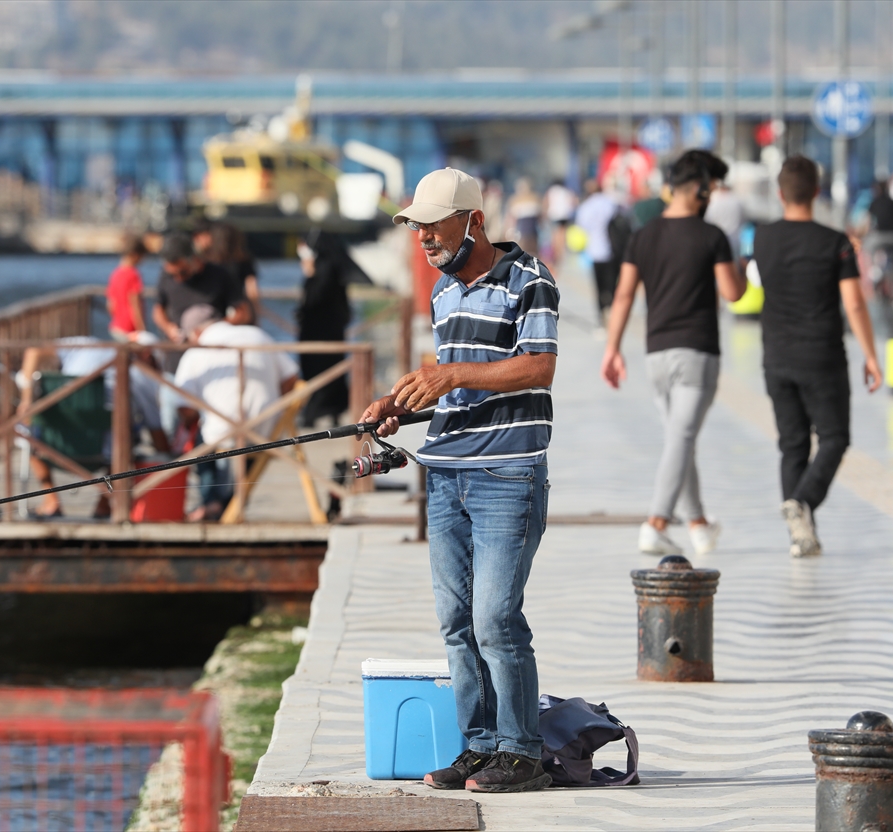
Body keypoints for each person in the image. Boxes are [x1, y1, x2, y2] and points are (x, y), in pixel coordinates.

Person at [362, 167, 560, 794]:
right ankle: (478, 748)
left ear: (472, 220)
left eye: (431, 224)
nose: (421, 237)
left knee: (497, 618)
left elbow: (539, 367)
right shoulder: (443, 294)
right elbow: (456, 386)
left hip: (508, 474)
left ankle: (522, 754)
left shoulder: (530, 280)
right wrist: (399, 405)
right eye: (415, 226)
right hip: (446, 473)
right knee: (456, 621)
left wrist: (450, 376)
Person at [601, 150, 747, 557]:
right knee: (681, 439)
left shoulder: (643, 235)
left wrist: (612, 349)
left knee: (678, 441)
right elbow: (733, 293)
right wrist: (742, 268)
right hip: (697, 352)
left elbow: (624, 294)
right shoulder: (711, 236)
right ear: (700, 190)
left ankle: (699, 524)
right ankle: (657, 522)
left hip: (657, 354)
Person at [753, 155, 882, 558]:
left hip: (775, 355)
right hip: (822, 356)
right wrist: (871, 355)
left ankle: (801, 534)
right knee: (835, 438)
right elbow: (855, 305)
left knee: (792, 445)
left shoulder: (762, 238)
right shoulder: (835, 242)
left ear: (780, 193)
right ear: (817, 191)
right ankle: (803, 503)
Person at [17, 336, 167, 518]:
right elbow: (159, 439)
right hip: (105, 452)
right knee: (127, 439)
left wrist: (26, 399)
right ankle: (103, 504)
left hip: (55, 443)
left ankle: (50, 499)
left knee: (25, 430)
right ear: (147, 355)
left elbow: (33, 351)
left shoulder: (84, 345)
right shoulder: (143, 376)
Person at [174, 305, 298, 522]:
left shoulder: (196, 350)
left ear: (195, 332)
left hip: (223, 431)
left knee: (203, 440)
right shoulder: (257, 334)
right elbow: (291, 376)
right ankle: (233, 501)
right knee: (247, 442)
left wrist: (197, 414)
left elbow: (185, 410)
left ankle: (211, 501)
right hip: (265, 429)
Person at [152, 232, 249, 372]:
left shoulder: (220, 275)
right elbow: (158, 309)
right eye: (173, 274)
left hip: (212, 362)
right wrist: (168, 328)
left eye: (183, 272)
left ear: (194, 259)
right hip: (175, 363)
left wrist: (213, 329)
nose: (178, 279)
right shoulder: (165, 276)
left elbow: (243, 313)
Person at [296, 231, 353, 425]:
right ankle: (329, 412)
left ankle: (313, 414)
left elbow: (314, 300)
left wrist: (311, 274)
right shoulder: (334, 267)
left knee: (320, 373)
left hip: (319, 333)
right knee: (330, 372)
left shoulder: (324, 269)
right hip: (331, 332)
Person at [574, 178, 623, 324]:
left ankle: (602, 315)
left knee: (599, 286)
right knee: (612, 285)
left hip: (595, 251)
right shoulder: (610, 203)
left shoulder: (586, 207)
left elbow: (581, 225)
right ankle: (612, 311)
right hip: (612, 250)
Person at [207, 222, 260, 315]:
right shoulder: (244, 260)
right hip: (238, 308)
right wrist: (255, 312)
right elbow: (252, 290)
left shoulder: (208, 261)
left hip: (214, 308)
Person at [106, 237, 147, 342]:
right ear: (135, 255)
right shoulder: (133, 275)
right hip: (130, 329)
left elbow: (110, 305)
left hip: (116, 327)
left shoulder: (115, 274)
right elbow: (135, 304)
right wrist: (142, 330)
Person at [543, 179, 578, 267]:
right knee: (562, 233)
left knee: (555, 234)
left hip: (554, 214)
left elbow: (546, 202)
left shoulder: (551, 191)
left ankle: (556, 252)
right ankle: (561, 251)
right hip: (565, 214)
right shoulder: (567, 190)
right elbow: (574, 201)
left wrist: (545, 213)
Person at [504, 176, 541, 255]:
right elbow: (510, 219)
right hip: (521, 233)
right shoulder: (514, 200)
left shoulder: (535, 198)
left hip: (532, 234)